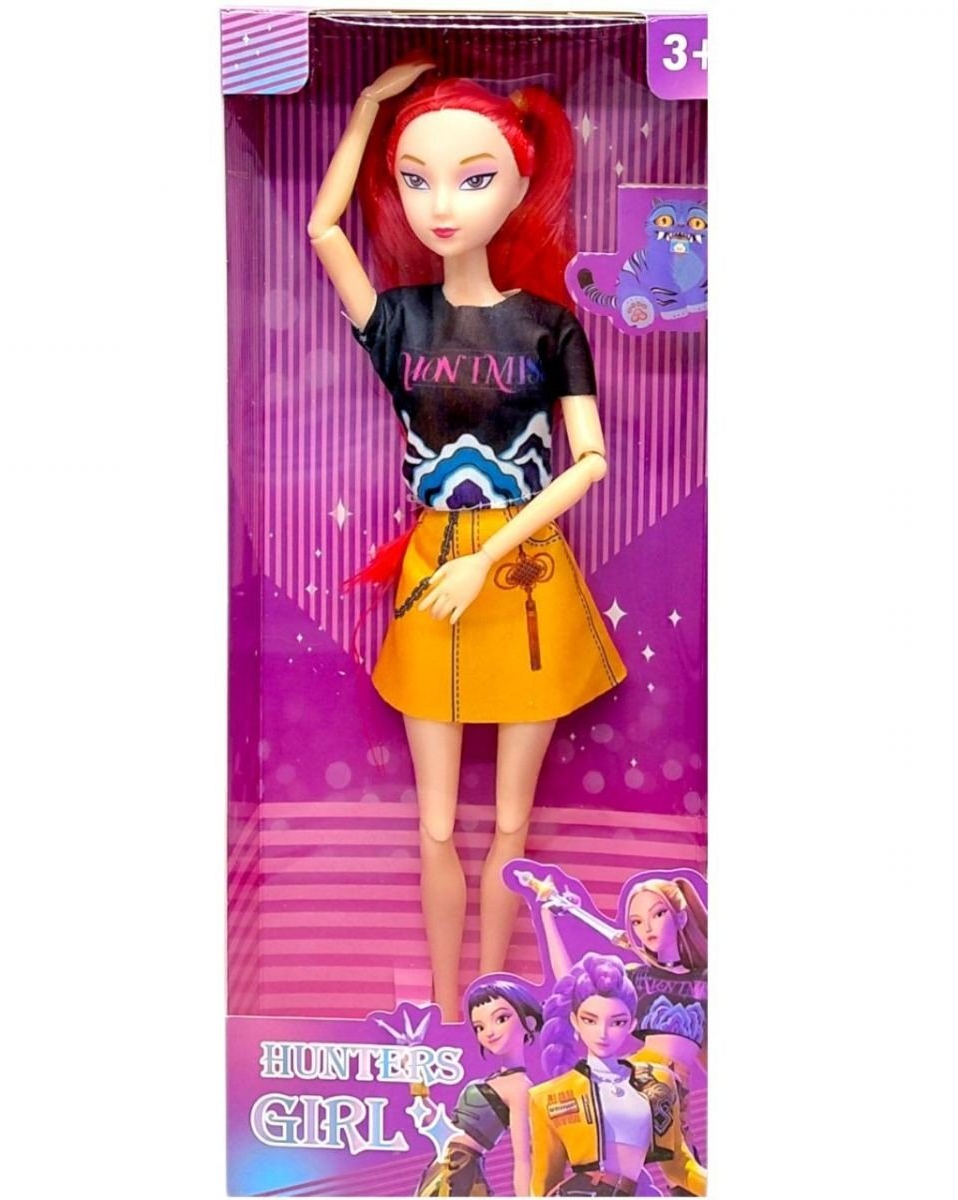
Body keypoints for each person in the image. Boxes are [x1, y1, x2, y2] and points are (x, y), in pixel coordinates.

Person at [308, 61, 626, 1020]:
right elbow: (324, 231)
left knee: (512, 824)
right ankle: (451, 1017)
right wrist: (367, 112)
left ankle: (500, 1012)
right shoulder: (399, 319)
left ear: (521, 186)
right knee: (438, 823)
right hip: (435, 570)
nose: (442, 204)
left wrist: (487, 556)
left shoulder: (549, 328)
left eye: (473, 177)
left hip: (521, 576)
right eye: (417, 179)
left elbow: (590, 461)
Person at [528, 954, 704, 1196]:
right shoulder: (546, 1096)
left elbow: (680, 1168)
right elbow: (544, 1183)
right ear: (575, 1021)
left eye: (617, 1022)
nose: (602, 1033)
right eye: (590, 1020)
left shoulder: (659, 1081)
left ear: (632, 1024)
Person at [416, 979, 542, 1196]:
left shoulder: (519, 1087)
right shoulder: (496, 1080)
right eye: (479, 1027)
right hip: (444, 1166)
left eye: (501, 1019)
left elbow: (523, 1158)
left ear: (529, 1023)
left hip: (461, 1170)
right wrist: (418, 1086)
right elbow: (444, 1128)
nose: (489, 1033)